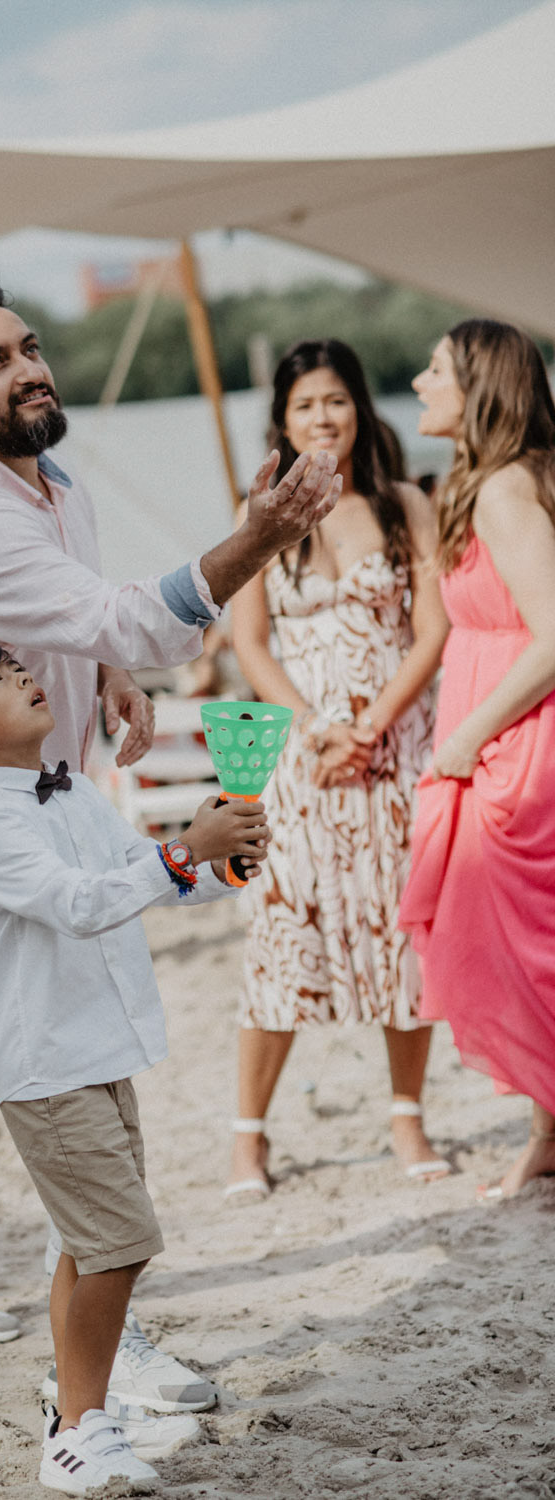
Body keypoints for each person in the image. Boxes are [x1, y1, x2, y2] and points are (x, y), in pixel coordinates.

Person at [0, 274, 341, 1385]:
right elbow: (119, 608)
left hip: (43, 785)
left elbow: (79, 606)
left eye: (26, 347)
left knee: (30, 1030)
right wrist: (252, 537)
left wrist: (107, 674)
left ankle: (63, 1306)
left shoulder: (51, 475)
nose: (26, 369)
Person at [0, 640, 269, 1491]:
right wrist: (184, 852)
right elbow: (76, 902)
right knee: (118, 1245)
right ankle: (76, 1431)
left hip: (99, 1048)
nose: (25, 677)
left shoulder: (71, 789)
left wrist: (224, 859)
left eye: (18, 668)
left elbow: (141, 872)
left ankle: (78, 1408)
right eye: (0, 678)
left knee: (88, 1242)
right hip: (48, 1065)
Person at [224, 338, 451, 1199]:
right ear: (281, 420)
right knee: (283, 940)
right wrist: (319, 728)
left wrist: (374, 726)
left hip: (396, 755)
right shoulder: (260, 515)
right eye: (305, 404)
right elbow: (249, 642)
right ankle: (247, 1138)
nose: (323, 417)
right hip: (302, 757)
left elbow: (433, 631)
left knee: (404, 940)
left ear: (360, 407)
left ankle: (408, 1116)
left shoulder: (403, 506)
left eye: (336, 400)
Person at [399, 319, 555, 1200]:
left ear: (480, 388)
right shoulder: (488, 482)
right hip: (499, 735)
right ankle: (546, 1133)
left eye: (435, 369)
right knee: (516, 944)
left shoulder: (503, 490)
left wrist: (463, 740)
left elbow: (554, 634)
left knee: (527, 949)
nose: (421, 382)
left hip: (517, 745)